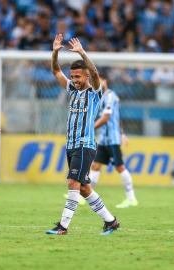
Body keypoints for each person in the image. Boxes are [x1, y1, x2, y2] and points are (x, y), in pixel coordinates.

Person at [46, 34, 119, 235]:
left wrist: (82, 52)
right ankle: (111, 221)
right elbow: (55, 70)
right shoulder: (72, 89)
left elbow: (95, 72)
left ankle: (63, 226)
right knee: (85, 188)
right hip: (71, 146)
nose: (75, 80)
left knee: (73, 183)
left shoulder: (95, 93)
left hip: (85, 145)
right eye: (73, 76)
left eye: (78, 76)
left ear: (86, 76)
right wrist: (55, 52)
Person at [88, 77, 138, 208]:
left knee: (119, 167)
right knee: (95, 166)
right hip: (104, 139)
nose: (96, 83)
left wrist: (89, 128)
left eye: (98, 80)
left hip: (112, 139)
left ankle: (131, 198)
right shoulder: (101, 97)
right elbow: (118, 116)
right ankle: (86, 195)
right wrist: (123, 132)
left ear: (105, 81)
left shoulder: (111, 96)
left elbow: (106, 118)